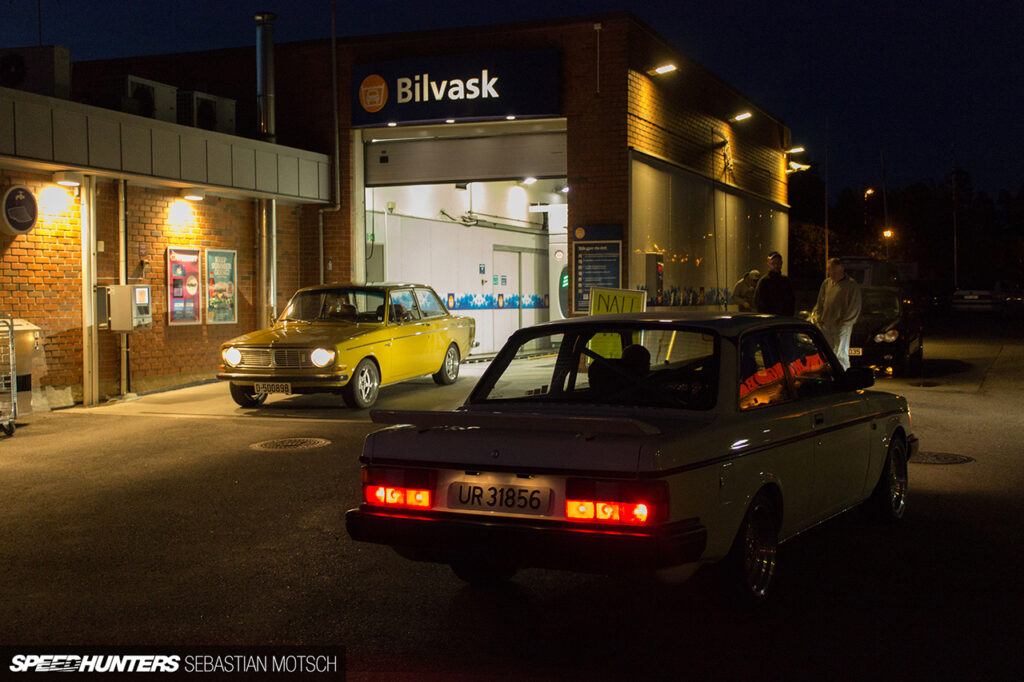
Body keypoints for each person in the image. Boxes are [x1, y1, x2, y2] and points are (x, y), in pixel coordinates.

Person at [811, 257, 862, 370]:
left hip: (841, 326)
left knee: (841, 354)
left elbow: (854, 306)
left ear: (841, 270)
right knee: (826, 353)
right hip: (826, 325)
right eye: (829, 270)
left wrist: (845, 322)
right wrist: (818, 319)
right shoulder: (826, 283)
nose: (831, 273)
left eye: (834, 270)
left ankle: (843, 375)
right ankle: (829, 374)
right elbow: (820, 302)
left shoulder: (851, 285)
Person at [753, 251, 795, 316]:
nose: (776, 265)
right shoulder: (764, 282)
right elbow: (759, 303)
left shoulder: (786, 281)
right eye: (773, 263)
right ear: (768, 264)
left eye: (778, 263)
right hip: (771, 320)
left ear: (781, 263)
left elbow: (791, 302)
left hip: (780, 319)